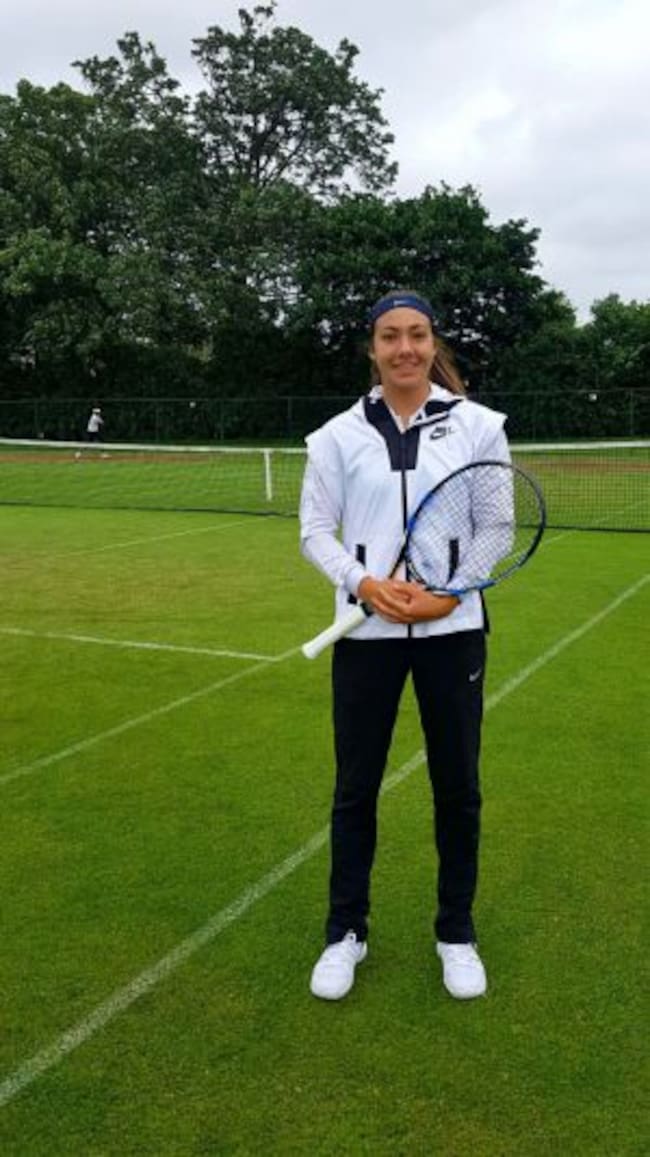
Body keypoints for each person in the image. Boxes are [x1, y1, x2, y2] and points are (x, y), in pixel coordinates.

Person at [299, 289, 510, 1002]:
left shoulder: (480, 427)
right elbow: (313, 531)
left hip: (453, 634)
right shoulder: (334, 436)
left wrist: (452, 591)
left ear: (433, 342)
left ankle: (456, 932)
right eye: (390, 336)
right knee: (355, 788)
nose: (405, 349)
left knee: (458, 787)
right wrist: (363, 583)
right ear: (373, 347)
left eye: (417, 335)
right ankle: (344, 933)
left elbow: (495, 525)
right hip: (368, 638)